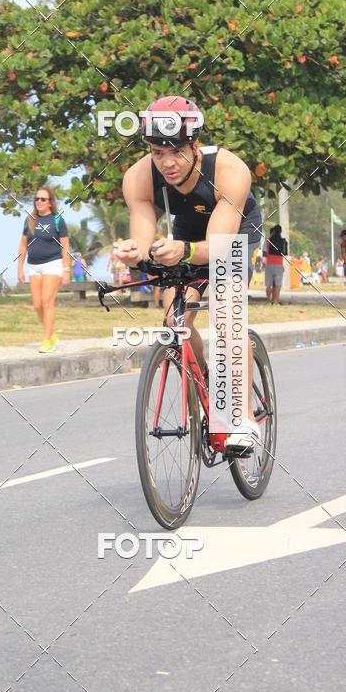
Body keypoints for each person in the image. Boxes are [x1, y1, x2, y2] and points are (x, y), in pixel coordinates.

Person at [115, 95, 263, 453]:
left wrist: (183, 251)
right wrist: (134, 252)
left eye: (177, 151)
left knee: (227, 314)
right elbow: (143, 238)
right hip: (188, 231)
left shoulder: (229, 170)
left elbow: (218, 244)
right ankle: (210, 382)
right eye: (157, 152)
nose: (167, 163)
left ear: (195, 144)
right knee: (174, 320)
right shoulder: (138, 177)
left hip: (233, 233)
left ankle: (240, 418)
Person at [17, 186, 70, 352]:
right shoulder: (30, 220)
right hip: (33, 266)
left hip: (52, 264)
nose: (39, 202)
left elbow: (65, 247)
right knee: (37, 304)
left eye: (43, 199)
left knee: (47, 302)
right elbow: (22, 246)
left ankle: (47, 340)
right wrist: (20, 268)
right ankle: (51, 333)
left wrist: (66, 270)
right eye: (37, 199)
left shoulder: (57, 220)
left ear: (50, 202)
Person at [263, 224, 287, 304]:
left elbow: (264, 254)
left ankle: (268, 300)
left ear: (273, 231)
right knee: (278, 284)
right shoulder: (283, 241)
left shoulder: (268, 241)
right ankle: (276, 300)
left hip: (269, 264)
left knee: (268, 284)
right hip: (279, 265)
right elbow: (285, 253)